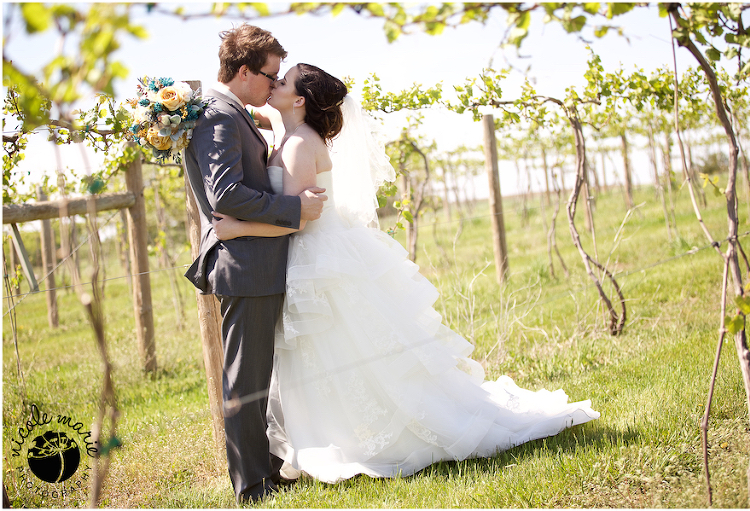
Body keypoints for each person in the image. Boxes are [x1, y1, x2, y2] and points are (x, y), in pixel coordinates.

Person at [211, 63, 600, 485]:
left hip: (316, 256)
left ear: (300, 99)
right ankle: (334, 434)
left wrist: (236, 227)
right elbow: (248, 112)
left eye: (282, 82)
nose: (273, 84)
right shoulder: (287, 131)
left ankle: (366, 437)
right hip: (312, 256)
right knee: (332, 351)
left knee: (340, 348)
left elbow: (298, 218)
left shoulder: (300, 144)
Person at [183, 26, 326, 503]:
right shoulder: (219, 116)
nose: (275, 82)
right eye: (271, 74)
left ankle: (264, 466)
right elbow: (225, 193)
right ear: (244, 72)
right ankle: (251, 485)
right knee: (245, 380)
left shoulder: (230, 111)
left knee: (256, 373)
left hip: (254, 261)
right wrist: (294, 210)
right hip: (243, 263)